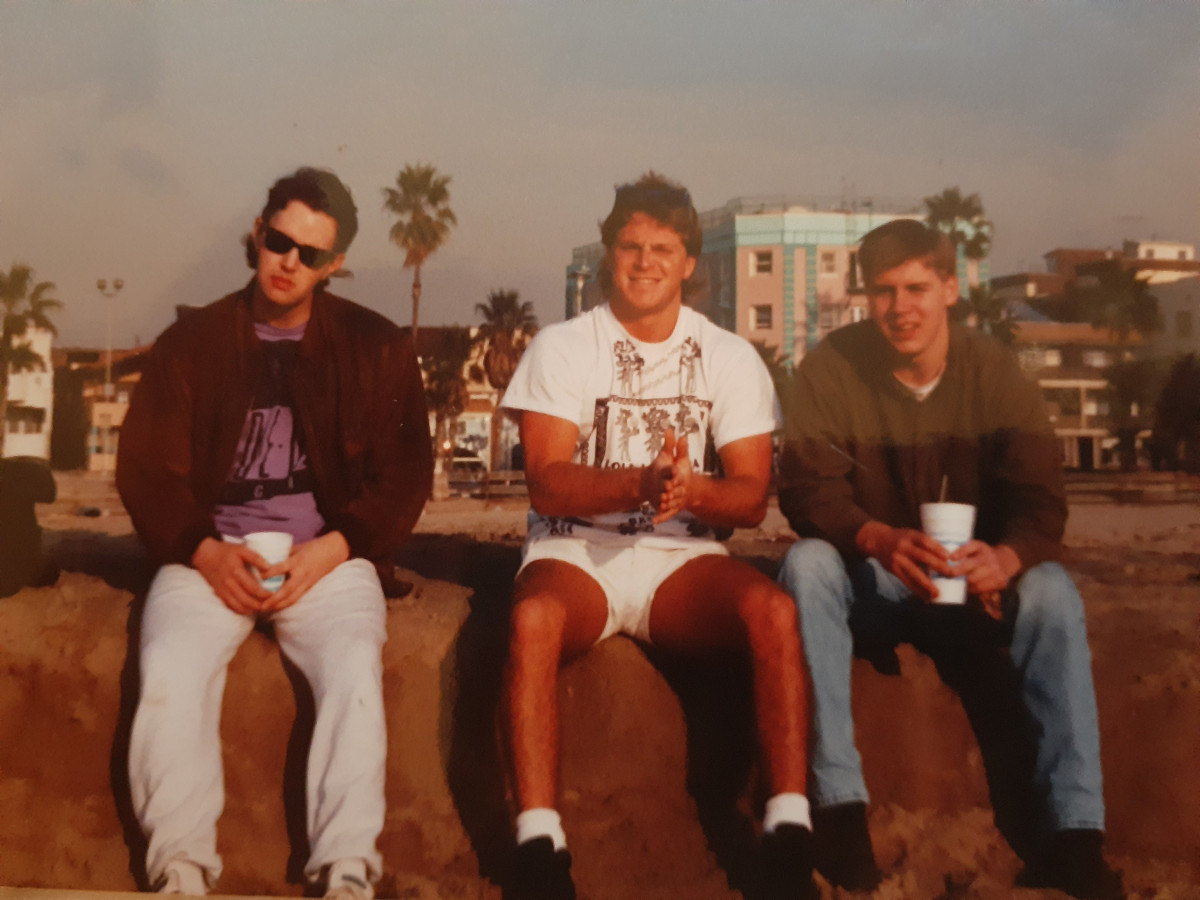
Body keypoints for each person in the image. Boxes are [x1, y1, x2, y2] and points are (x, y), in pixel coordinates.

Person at [776, 218, 1122, 899]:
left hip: (976, 584)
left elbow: (1041, 500)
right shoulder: (831, 367)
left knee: (1053, 591)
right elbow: (806, 489)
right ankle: (840, 811)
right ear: (864, 297)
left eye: (915, 288)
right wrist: (877, 537)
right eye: (882, 291)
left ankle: (1075, 835)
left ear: (951, 288)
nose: (900, 308)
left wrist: (1008, 556)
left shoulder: (996, 370)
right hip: (877, 578)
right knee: (807, 566)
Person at [117, 168, 433, 898]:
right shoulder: (190, 343)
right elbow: (146, 473)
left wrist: (333, 548)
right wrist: (202, 549)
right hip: (210, 553)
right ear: (259, 235)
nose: (290, 262)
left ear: (335, 265)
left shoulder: (375, 346)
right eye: (281, 241)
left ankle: (347, 870)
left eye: (311, 254)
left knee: (354, 665)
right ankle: (180, 872)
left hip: (325, 555)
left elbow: (405, 475)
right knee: (167, 665)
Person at [500, 172, 814, 900]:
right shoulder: (562, 346)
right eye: (630, 246)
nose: (644, 263)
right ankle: (539, 844)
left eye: (662, 249)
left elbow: (749, 498)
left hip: (682, 560)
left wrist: (689, 490)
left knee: (772, 610)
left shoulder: (731, 356)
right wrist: (641, 484)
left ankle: (789, 832)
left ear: (689, 263)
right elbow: (546, 479)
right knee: (531, 616)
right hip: (576, 551)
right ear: (610, 252)